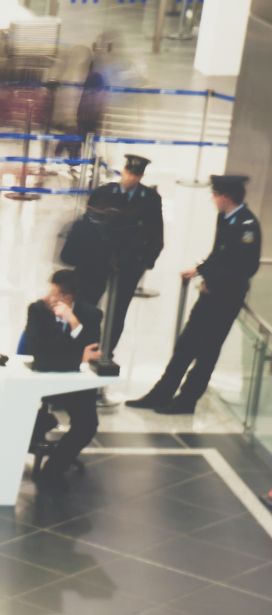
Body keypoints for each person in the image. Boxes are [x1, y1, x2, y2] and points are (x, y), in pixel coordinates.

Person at [128, 174, 262, 415]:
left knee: (208, 350)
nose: (213, 199)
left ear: (226, 197)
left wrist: (214, 281)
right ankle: (162, 393)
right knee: (186, 345)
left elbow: (245, 266)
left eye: (215, 194)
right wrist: (201, 271)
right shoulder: (226, 218)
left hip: (226, 298)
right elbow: (219, 253)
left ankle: (187, 400)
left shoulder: (247, 225)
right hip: (212, 294)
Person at [60, 154, 164, 353]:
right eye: (130, 172)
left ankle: (105, 351)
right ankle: (79, 344)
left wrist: (146, 262)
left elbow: (155, 233)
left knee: (118, 311)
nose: (132, 178)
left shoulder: (150, 199)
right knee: (86, 304)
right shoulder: (103, 193)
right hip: (96, 261)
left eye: (137, 174)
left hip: (128, 263)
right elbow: (89, 224)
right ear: (124, 171)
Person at [23, 270, 104, 490]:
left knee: (87, 425)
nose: (48, 298)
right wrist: (77, 354)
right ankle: (36, 430)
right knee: (25, 411)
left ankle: (55, 468)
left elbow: (93, 351)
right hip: (41, 377)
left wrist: (74, 324)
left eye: (54, 294)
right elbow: (36, 348)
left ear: (68, 298)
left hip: (75, 382)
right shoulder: (38, 310)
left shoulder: (90, 315)